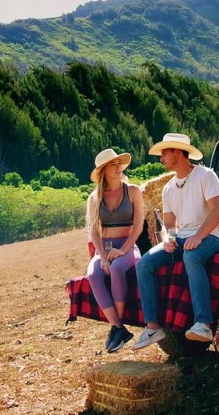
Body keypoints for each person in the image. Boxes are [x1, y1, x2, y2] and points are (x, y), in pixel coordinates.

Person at [131, 133, 219, 350]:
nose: (161, 158)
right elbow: (169, 225)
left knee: (191, 256)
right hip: (184, 239)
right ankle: (153, 327)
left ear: (177, 152)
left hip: (212, 236)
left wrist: (198, 236)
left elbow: (217, 213)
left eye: (164, 153)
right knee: (144, 264)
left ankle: (203, 324)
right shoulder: (168, 188)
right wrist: (168, 240)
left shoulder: (206, 175)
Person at [85, 148, 145, 353]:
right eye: (113, 164)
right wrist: (101, 256)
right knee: (93, 274)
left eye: (119, 163)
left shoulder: (134, 191)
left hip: (128, 246)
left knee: (118, 268)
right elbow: (93, 231)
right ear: (103, 170)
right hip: (104, 247)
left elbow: (138, 227)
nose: (119, 167)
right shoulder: (94, 198)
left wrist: (123, 250)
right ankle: (118, 327)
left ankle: (117, 327)